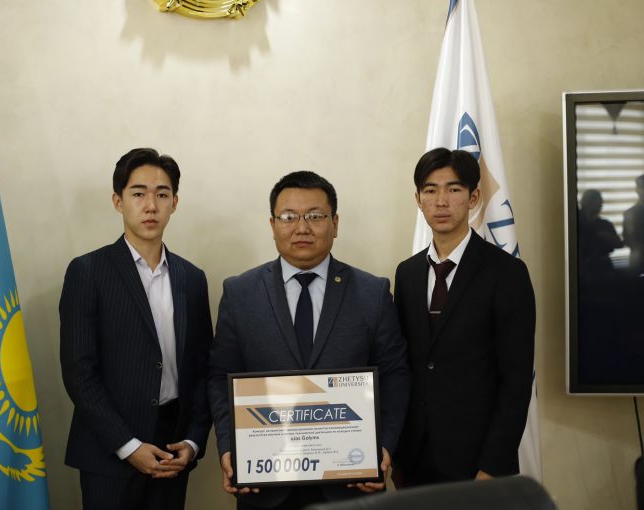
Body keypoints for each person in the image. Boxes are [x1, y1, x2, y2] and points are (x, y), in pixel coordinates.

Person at [208, 171, 410, 510]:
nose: (302, 228)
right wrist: (229, 447)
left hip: (351, 484)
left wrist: (384, 447)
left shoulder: (372, 293)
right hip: (265, 488)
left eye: (315, 216)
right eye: (289, 217)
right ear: (272, 224)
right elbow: (219, 376)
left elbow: (395, 375)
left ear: (335, 223)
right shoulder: (240, 293)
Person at [59, 148, 213, 510]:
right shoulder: (88, 272)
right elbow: (79, 373)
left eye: (162, 194)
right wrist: (128, 446)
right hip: (109, 451)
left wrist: (192, 442)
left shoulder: (192, 278)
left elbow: (204, 369)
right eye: (138, 193)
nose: (151, 206)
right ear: (118, 201)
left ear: (175, 203)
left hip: (172, 448)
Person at [392, 148, 535, 486]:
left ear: (474, 198)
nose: (441, 201)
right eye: (430, 190)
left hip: (477, 462)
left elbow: (516, 381)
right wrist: (396, 454)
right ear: (418, 199)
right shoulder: (407, 273)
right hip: (414, 460)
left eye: (453, 189)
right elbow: (404, 366)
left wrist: (493, 465)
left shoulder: (507, 273)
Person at [578, 189, 623, 277]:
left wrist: (603, 235)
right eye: (598, 202)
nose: (601, 205)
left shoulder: (604, 224)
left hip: (603, 267)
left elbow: (619, 244)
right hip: (584, 268)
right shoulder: (578, 223)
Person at [623, 174, 644, 275]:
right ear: (637, 190)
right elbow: (627, 239)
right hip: (638, 262)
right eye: (641, 187)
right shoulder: (630, 213)